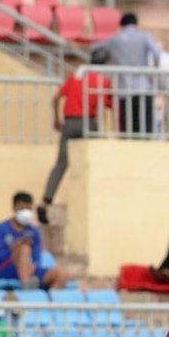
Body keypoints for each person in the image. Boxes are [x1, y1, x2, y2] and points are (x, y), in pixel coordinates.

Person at [42, 49, 110, 215]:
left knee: (61, 163)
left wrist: (57, 119)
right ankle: (97, 196)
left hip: (69, 122)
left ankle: (46, 201)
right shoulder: (102, 80)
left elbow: (57, 97)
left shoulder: (76, 76)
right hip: (87, 122)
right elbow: (105, 104)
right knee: (94, 160)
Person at [98, 13, 162, 137]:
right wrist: (153, 74)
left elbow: (95, 48)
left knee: (129, 132)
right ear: (136, 25)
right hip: (144, 89)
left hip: (125, 91)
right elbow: (157, 55)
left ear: (121, 26)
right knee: (146, 130)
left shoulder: (115, 39)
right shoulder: (144, 37)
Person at [0, 192, 67, 291]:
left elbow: (37, 257)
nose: (26, 212)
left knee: (61, 274)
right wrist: (15, 247)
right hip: (7, 268)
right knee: (24, 248)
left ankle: (50, 303)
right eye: (22, 209)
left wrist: (33, 266)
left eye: (28, 209)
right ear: (14, 208)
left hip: (31, 269)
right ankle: (27, 287)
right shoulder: (1, 228)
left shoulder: (33, 231)